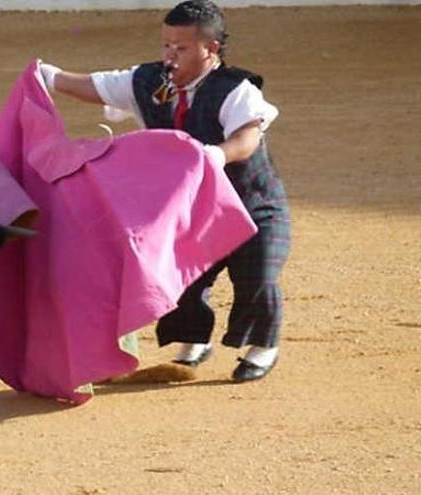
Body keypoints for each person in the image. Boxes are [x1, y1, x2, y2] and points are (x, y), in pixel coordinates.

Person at [38, 0, 290, 382]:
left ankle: (262, 346)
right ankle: (194, 340)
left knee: (258, 274)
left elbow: (248, 137)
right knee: (181, 277)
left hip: (252, 203)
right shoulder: (149, 81)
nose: (170, 55)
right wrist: (48, 76)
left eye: (182, 48)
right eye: (166, 45)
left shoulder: (236, 89)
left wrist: (217, 155)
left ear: (211, 49)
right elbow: (96, 86)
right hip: (188, 207)